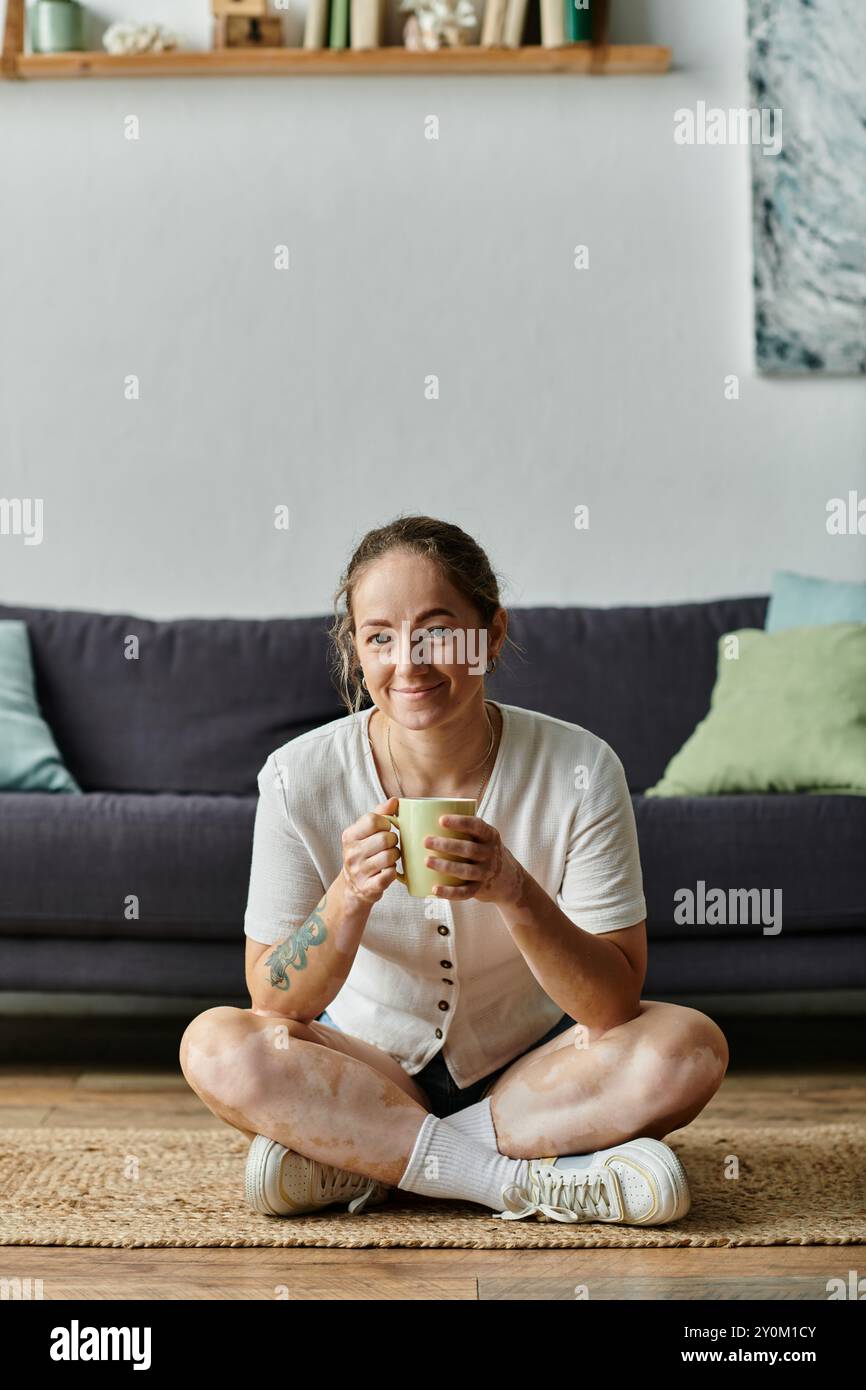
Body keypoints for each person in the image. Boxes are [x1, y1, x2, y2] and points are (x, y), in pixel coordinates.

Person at [180, 515, 729, 1225]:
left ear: (492, 634)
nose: (408, 663)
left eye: (438, 630)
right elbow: (275, 1002)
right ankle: (516, 1179)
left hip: (535, 1073)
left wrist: (514, 890)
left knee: (687, 1050)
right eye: (379, 636)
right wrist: (348, 896)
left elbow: (611, 1006)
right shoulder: (297, 777)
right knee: (217, 1047)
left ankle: (368, 1161)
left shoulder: (582, 768)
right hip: (369, 1070)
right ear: (355, 649)